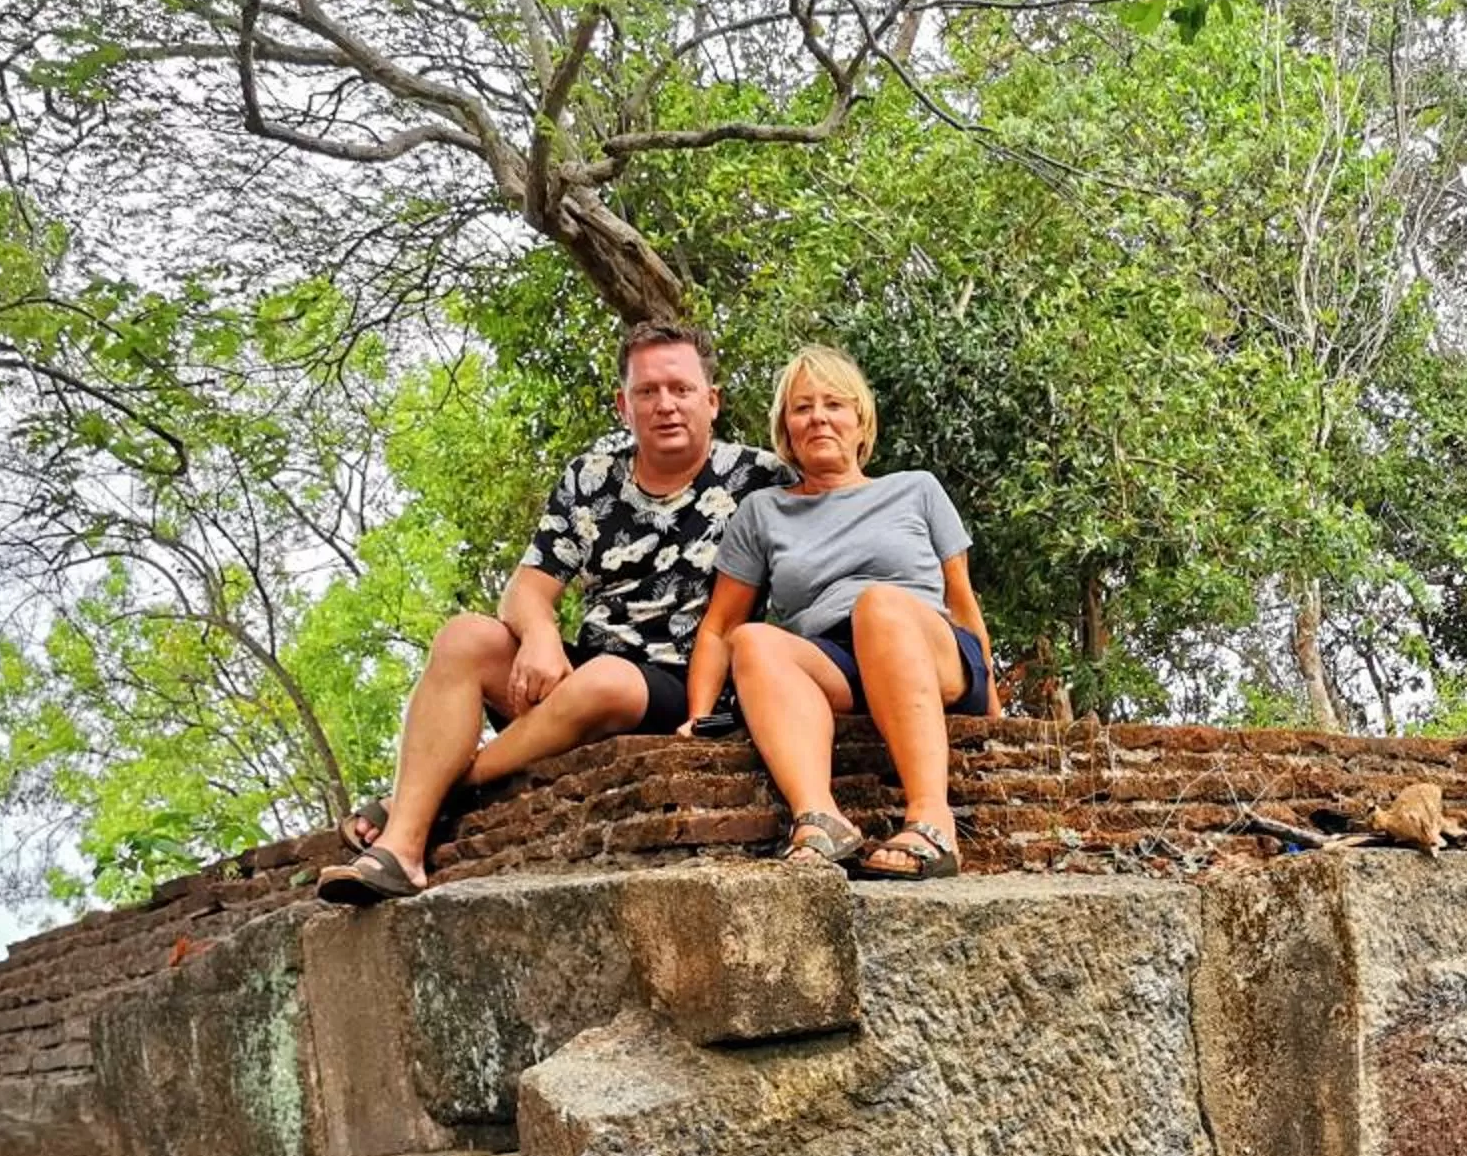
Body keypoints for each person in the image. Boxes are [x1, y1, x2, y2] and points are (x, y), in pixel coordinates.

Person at [316, 321, 787, 903]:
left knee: (607, 680)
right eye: (646, 391)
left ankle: (424, 796)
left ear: (711, 401)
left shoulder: (764, 479)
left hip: (690, 684)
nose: (665, 405)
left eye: (681, 389)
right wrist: (540, 634)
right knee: (465, 637)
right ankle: (401, 851)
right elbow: (526, 589)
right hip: (583, 670)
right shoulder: (591, 478)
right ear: (623, 406)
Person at [686, 345, 994, 879]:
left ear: (860, 421)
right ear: (786, 429)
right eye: (802, 408)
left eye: (833, 404)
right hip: (838, 660)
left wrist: (995, 711)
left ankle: (931, 818)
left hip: (929, 649)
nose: (818, 418)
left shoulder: (917, 489)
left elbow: (962, 602)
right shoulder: (763, 511)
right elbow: (721, 626)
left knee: (878, 605)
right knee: (754, 640)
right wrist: (699, 714)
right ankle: (820, 820)